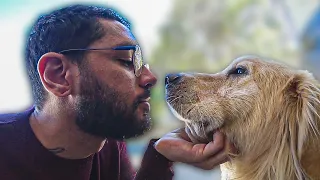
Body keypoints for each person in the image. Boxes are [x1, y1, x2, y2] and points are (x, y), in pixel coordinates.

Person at [0, 4, 233, 180]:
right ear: (57, 75)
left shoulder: (106, 141)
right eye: (126, 61)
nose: (150, 78)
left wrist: (162, 154)